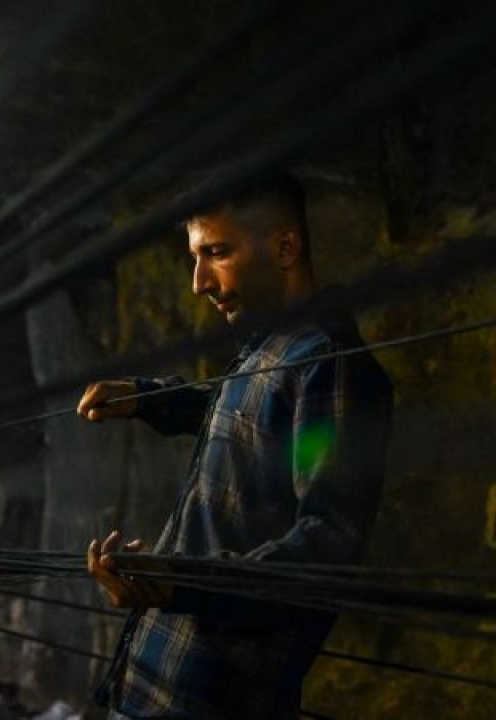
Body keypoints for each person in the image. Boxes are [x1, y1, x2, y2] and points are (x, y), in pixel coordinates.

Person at [78, 174, 392, 719]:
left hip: (213, 696)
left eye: (216, 253)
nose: (198, 281)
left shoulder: (328, 364)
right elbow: (253, 429)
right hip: (159, 677)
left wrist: (180, 582)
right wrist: (148, 399)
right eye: (196, 257)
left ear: (285, 247)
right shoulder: (271, 347)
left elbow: (327, 541)